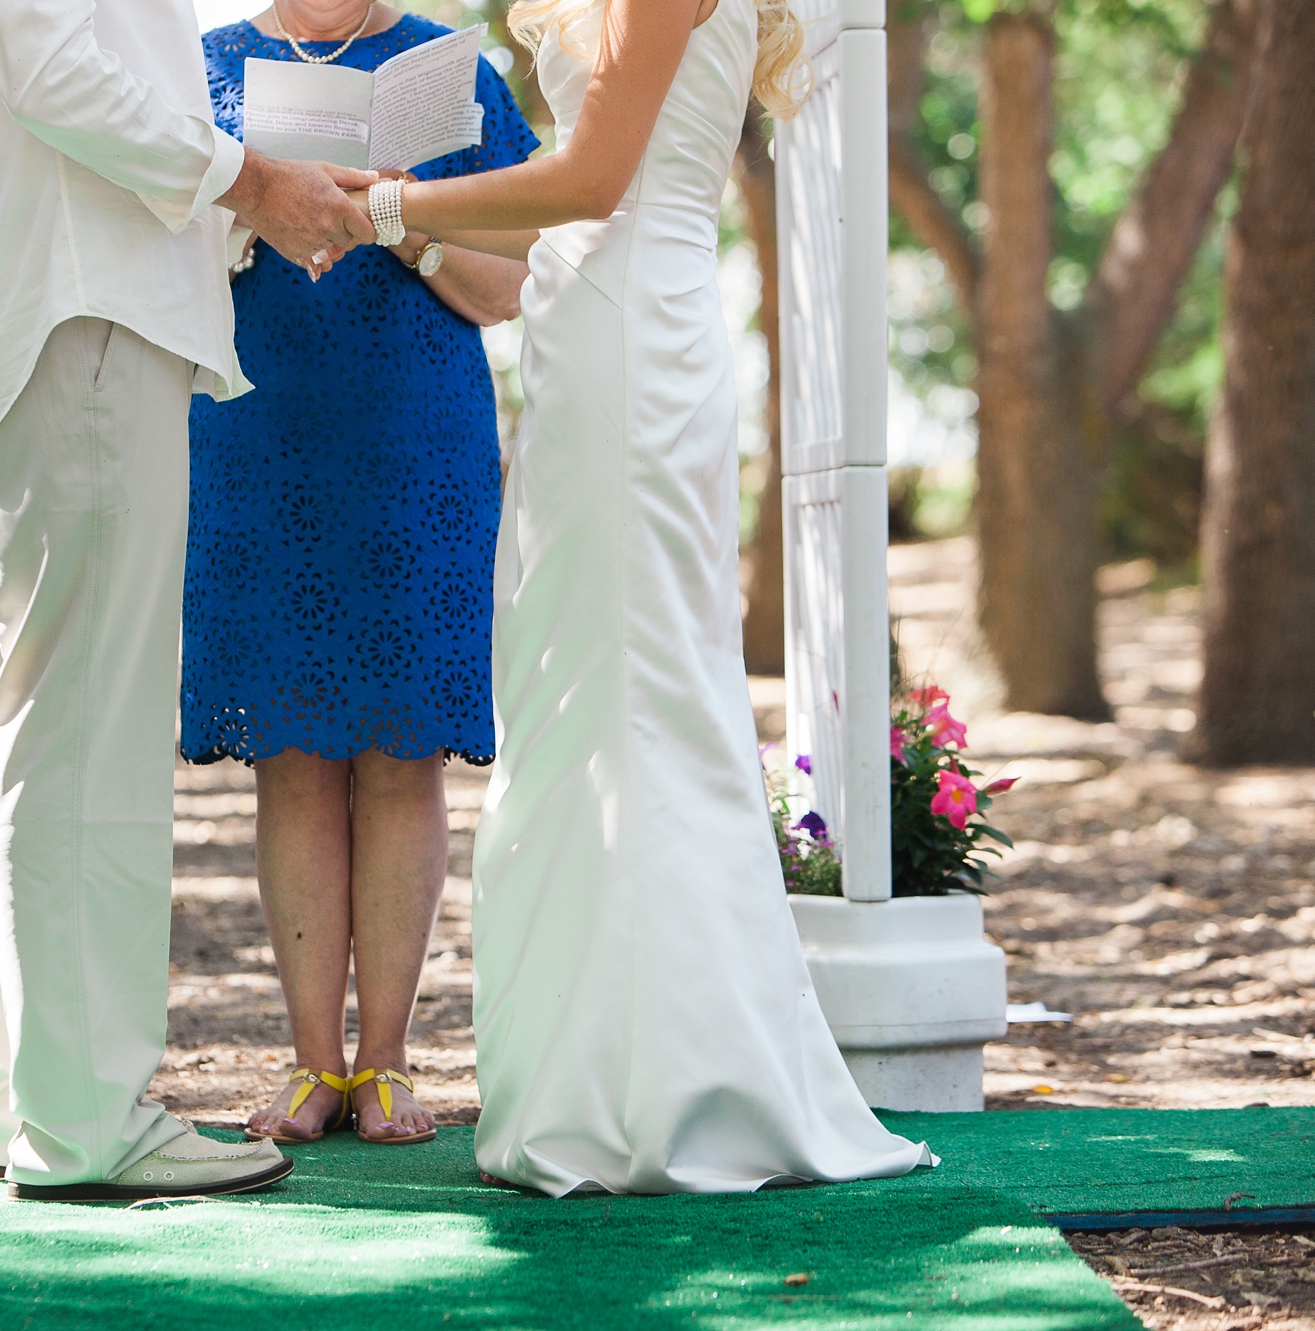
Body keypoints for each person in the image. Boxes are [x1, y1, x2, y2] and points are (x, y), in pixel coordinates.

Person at [347, 0, 938, 1194]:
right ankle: (597, 1071)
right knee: (586, 698)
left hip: (628, 326)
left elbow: (594, 176)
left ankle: (665, 1088)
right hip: (595, 325)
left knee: (637, 699)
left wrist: (386, 203)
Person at [0, 0, 379, 1202]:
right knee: (89, 720)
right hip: (85, 306)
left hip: (57, 302)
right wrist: (249, 182)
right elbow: (57, 72)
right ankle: (86, 1115)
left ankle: (19, 1098)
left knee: (35, 703)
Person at [183, 2, 538, 1148]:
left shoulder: (452, 73)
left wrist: (398, 221)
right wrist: (256, 211)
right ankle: (309, 1065)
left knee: (400, 750)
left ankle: (386, 1063)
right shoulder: (209, 67)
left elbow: (512, 283)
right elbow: (157, 236)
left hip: (415, 434)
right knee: (286, 750)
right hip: (256, 428)